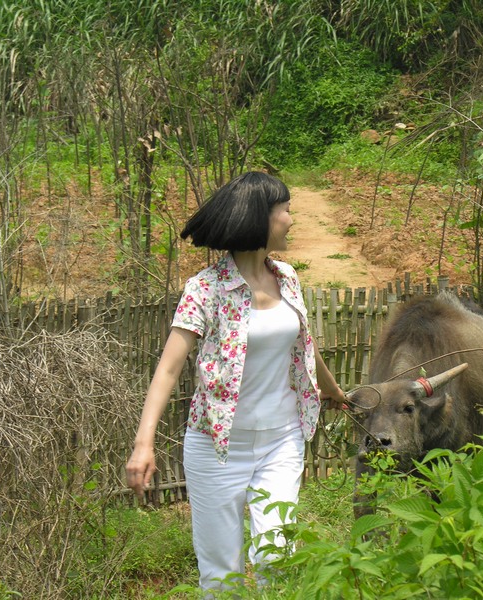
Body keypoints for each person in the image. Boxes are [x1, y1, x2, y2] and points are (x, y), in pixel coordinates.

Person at [125, 171, 347, 592]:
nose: (292, 219)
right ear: (261, 217)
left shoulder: (287, 278)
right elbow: (168, 369)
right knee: (221, 575)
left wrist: (332, 390)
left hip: (282, 439)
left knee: (277, 557)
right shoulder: (205, 289)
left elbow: (304, 345)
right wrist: (143, 443)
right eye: (286, 210)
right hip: (216, 448)